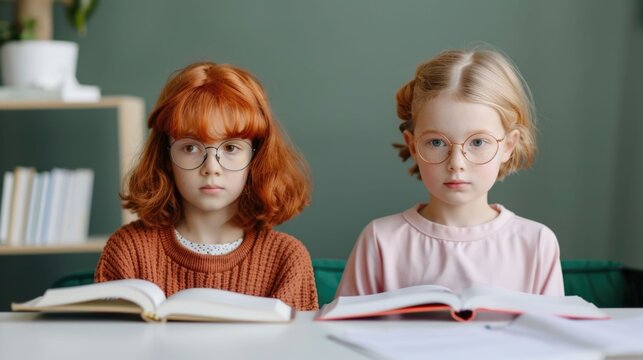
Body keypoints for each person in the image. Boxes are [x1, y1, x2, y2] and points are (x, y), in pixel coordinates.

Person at [336, 48, 564, 297]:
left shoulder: (537, 243)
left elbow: (549, 333)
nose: (456, 163)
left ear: (508, 146)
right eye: (436, 142)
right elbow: (342, 328)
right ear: (413, 145)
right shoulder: (381, 240)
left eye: (478, 142)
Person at [95, 62, 318, 311]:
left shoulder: (286, 258)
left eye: (231, 148)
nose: (211, 166)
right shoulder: (128, 250)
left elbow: (296, 349)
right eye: (190, 147)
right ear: (166, 158)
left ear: (255, 159)